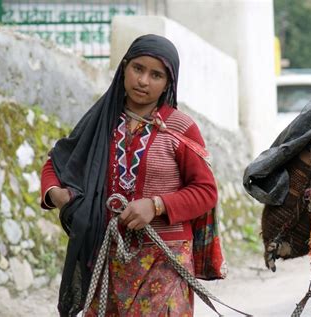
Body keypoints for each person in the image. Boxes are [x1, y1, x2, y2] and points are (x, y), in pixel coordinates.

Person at [40, 34, 218, 316]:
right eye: (138, 68)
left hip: (165, 260)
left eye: (156, 74)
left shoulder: (180, 128)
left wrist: (156, 205)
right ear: (124, 68)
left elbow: (206, 191)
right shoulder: (100, 122)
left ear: (168, 83)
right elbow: (57, 163)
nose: (144, 80)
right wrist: (56, 195)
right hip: (105, 257)